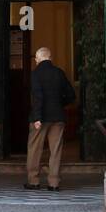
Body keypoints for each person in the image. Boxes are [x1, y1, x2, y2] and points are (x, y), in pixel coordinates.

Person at [24, 47, 76, 192]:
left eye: (35, 59)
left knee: (35, 149)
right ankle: (54, 183)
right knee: (56, 150)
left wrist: (37, 117)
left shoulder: (36, 74)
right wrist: (60, 105)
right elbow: (71, 95)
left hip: (40, 118)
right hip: (58, 117)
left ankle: (33, 181)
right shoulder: (59, 73)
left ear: (37, 59)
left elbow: (38, 96)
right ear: (50, 58)